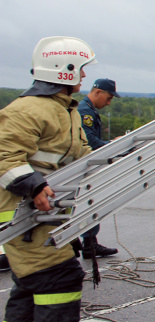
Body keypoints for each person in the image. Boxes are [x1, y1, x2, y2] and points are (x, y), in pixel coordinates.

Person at [0, 36, 96, 321]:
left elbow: (80, 155)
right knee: (58, 279)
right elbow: (5, 157)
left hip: (46, 217)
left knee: (29, 284)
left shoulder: (65, 110)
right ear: (63, 69)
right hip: (23, 218)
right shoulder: (27, 110)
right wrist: (34, 185)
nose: (84, 75)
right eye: (80, 68)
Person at [77, 78, 121, 260]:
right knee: (86, 204)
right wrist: (112, 144)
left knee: (89, 203)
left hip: (85, 165)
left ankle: (89, 243)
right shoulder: (85, 111)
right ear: (97, 92)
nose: (109, 102)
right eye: (108, 98)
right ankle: (88, 245)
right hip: (82, 166)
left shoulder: (89, 109)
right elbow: (90, 142)